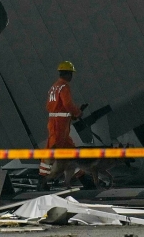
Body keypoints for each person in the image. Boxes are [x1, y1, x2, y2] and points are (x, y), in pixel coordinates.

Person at [38, 61, 89, 190]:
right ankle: (42, 180)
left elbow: (51, 106)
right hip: (59, 125)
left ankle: (84, 178)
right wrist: (77, 112)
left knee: (72, 152)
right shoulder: (64, 86)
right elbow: (67, 104)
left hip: (59, 123)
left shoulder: (54, 87)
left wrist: (70, 115)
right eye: (71, 73)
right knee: (51, 150)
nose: (72, 76)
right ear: (66, 73)